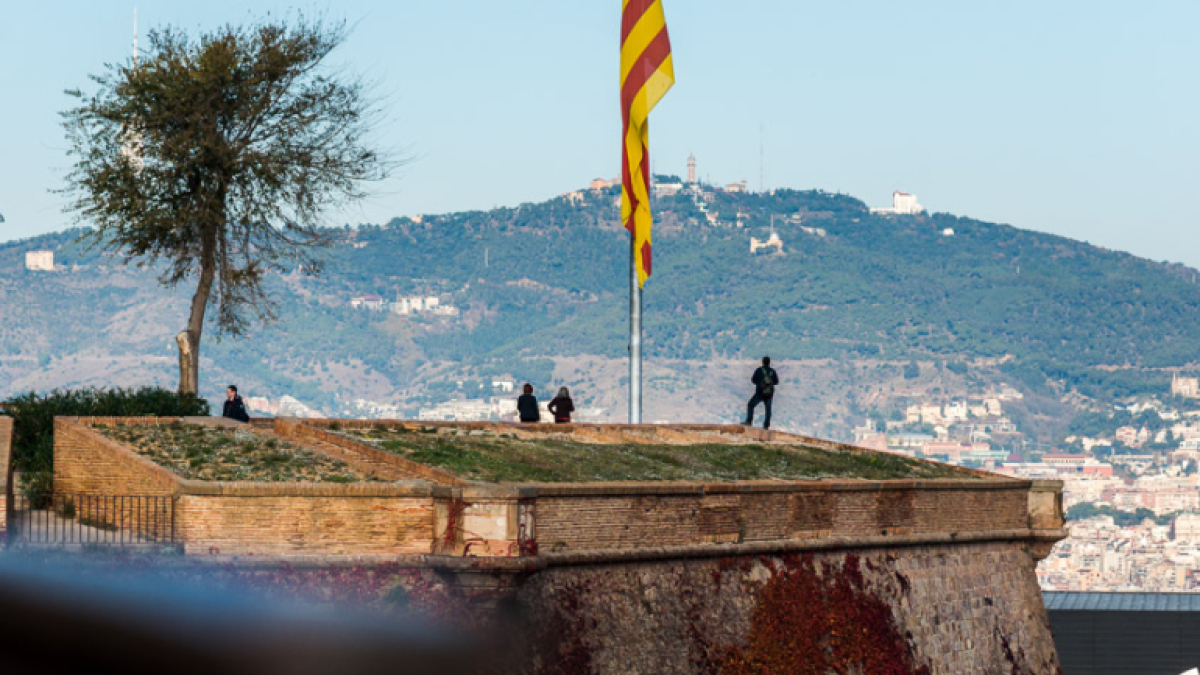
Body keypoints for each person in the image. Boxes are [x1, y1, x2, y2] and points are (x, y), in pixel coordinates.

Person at [744, 357, 780, 430]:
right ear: (769, 362)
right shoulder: (772, 371)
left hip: (759, 393)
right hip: (769, 394)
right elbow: (776, 382)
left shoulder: (759, 370)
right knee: (768, 409)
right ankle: (766, 426)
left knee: (751, 405)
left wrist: (760, 383)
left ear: (762, 362)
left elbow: (753, 380)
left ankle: (749, 421)